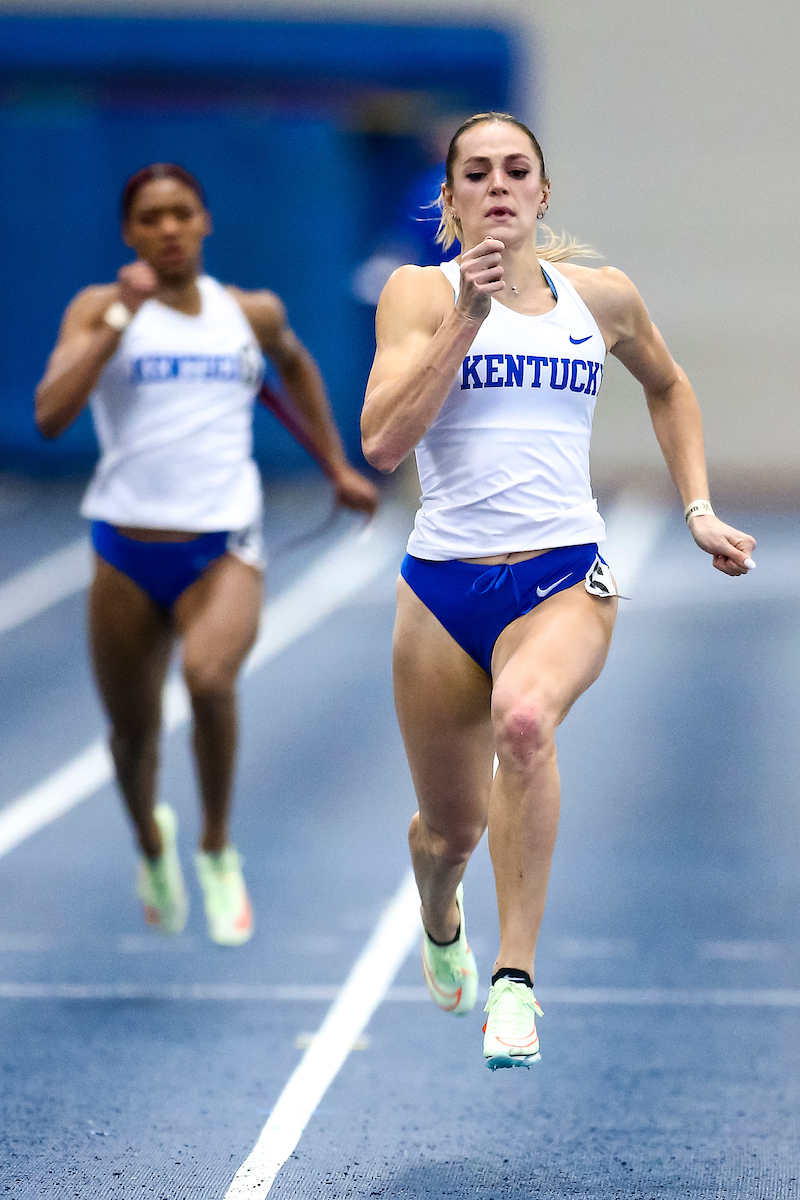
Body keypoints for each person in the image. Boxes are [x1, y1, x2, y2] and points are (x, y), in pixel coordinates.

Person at [361, 112, 756, 1068]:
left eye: (516, 170)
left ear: (544, 191)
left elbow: (668, 385)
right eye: (477, 174)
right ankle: (441, 908)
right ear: (451, 199)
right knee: (446, 834)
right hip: (441, 588)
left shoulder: (602, 299)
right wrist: (467, 316)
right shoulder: (419, 297)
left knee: (527, 724)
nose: (498, 186)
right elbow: (381, 443)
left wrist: (697, 507)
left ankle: (516, 982)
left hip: (562, 572)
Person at [36, 163, 378, 946]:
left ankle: (217, 847)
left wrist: (334, 465)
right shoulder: (97, 308)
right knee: (131, 736)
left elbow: (295, 365)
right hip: (125, 550)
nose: (168, 228)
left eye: (181, 213)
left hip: (224, 544)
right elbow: (51, 413)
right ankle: (151, 846)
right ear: (129, 233)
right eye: (150, 217)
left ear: (205, 222)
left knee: (209, 677)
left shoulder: (249, 313)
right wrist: (121, 317)